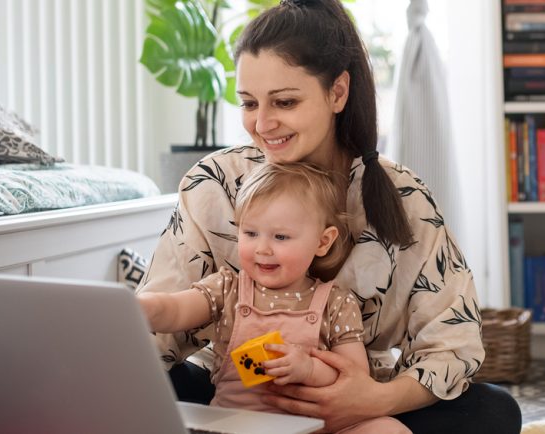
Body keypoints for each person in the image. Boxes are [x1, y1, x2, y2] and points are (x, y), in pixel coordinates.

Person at [136, 0, 523, 432]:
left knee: (493, 410)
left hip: (358, 400)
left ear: (337, 92)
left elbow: (453, 345)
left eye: (284, 102)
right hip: (235, 396)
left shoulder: (401, 195)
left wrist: (370, 400)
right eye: (248, 104)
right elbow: (157, 328)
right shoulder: (215, 181)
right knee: (142, 385)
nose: (262, 124)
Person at [138, 162, 410, 434]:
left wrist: (309, 369)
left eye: (280, 236)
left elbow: (355, 378)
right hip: (236, 427)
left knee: (388, 429)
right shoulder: (227, 288)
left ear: (322, 242)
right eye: (250, 233)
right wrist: (141, 307)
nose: (262, 248)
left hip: (314, 429)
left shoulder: (336, 303)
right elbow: (176, 310)